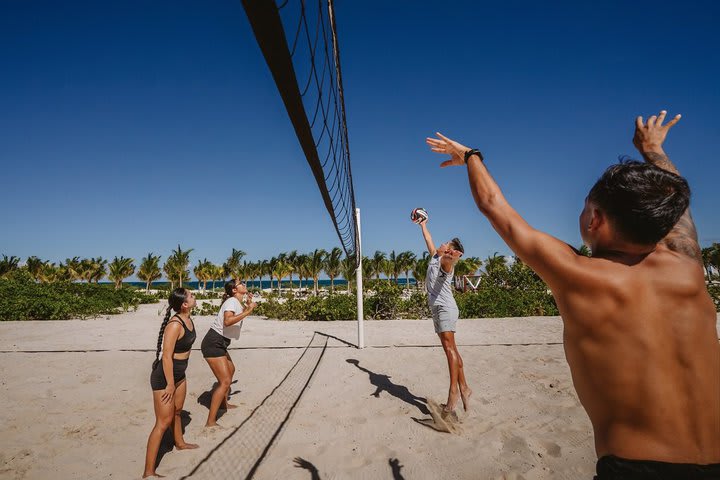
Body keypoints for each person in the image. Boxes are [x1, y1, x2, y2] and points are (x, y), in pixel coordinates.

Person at [427, 110, 720, 478]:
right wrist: (654, 150)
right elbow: (677, 203)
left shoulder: (580, 275)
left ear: (594, 219)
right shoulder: (688, 267)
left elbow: (494, 207)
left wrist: (471, 156)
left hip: (637, 467)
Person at [416, 216, 472, 414]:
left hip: (445, 308)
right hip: (440, 309)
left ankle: (453, 394)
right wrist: (423, 224)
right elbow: (428, 239)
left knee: (449, 350)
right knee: (452, 349)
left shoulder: (445, 263)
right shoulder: (434, 257)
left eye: (445, 243)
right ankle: (464, 387)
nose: (440, 243)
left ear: (448, 250)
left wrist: (453, 256)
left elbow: (449, 261)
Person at [143, 288, 199, 478]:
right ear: (184, 304)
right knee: (163, 422)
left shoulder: (188, 319)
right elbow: (166, 357)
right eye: (191, 296)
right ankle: (148, 472)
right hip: (165, 377)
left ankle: (180, 443)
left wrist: (178, 378)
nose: (194, 297)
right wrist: (169, 384)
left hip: (179, 374)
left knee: (177, 411)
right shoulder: (175, 324)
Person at [201, 279, 256, 427]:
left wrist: (248, 304)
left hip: (221, 343)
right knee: (225, 382)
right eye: (240, 283)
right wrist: (249, 310)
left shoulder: (236, 302)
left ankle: (223, 404)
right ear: (234, 290)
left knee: (231, 370)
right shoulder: (231, 301)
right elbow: (227, 321)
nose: (244, 284)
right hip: (214, 342)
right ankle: (211, 421)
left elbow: (238, 314)